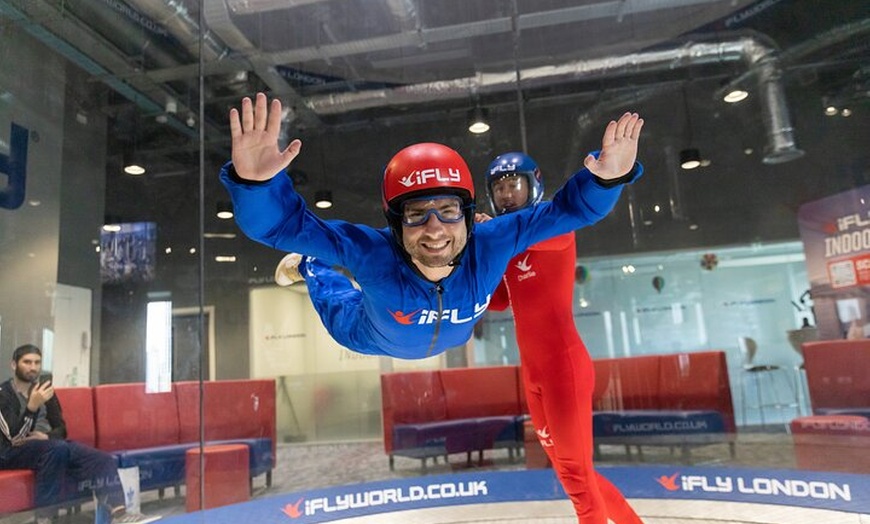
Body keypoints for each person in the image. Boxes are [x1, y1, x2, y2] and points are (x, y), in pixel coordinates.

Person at [222, 92, 643, 358]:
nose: (435, 229)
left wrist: (607, 180)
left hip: (452, 336)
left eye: (448, 210)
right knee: (334, 292)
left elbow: (570, 211)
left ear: (470, 214)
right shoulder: (372, 253)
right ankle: (311, 265)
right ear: (394, 223)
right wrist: (257, 186)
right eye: (416, 214)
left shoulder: (492, 241)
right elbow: (279, 226)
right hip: (368, 335)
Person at [477, 152, 643, 523]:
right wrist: (480, 254)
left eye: (513, 185)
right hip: (534, 374)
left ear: (533, 186)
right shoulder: (507, 239)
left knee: (577, 477)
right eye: (499, 188)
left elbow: (532, 235)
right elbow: (498, 300)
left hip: (562, 369)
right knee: (574, 474)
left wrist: (489, 234)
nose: (506, 194)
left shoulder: (554, 223)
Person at [0, 345, 149, 524]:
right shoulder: (3, 394)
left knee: (102, 459)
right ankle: (44, 518)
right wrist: (32, 406)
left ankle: (120, 514)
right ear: (14, 365)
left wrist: (47, 437)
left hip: (48, 445)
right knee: (57, 449)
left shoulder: (45, 391)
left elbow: (61, 429)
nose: (33, 367)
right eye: (27, 362)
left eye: (37, 363)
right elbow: (14, 438)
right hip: (11, 451)